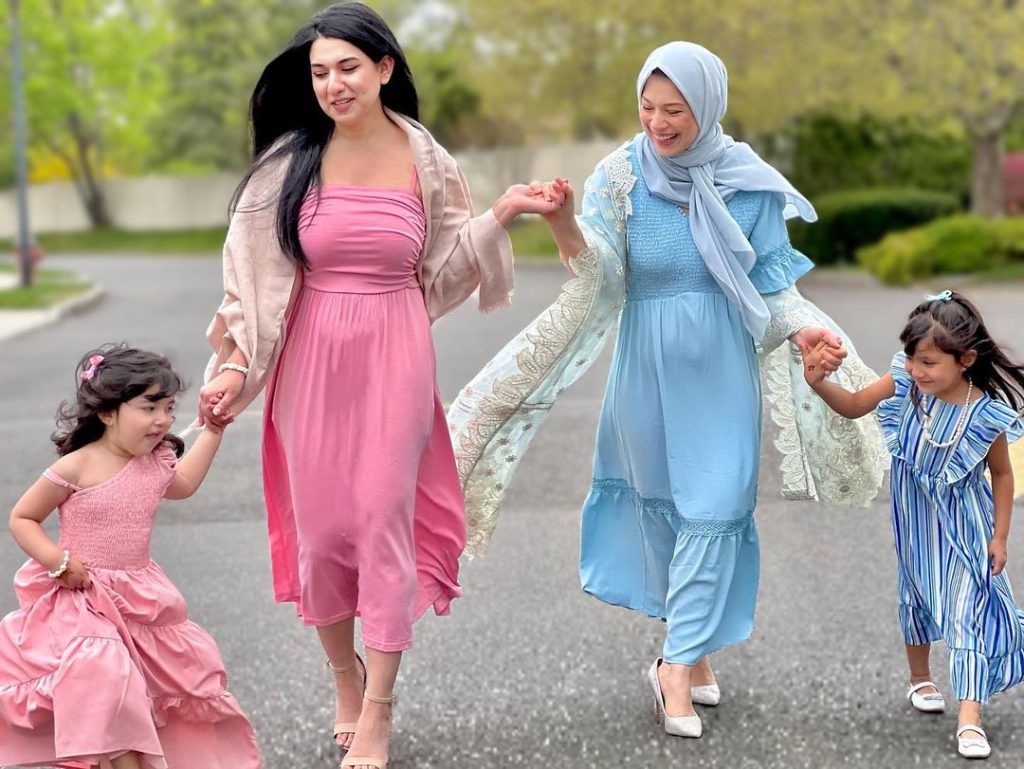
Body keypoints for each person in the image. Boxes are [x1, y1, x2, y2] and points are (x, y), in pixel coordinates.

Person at [446, 40, 889, 739]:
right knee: (667, 511)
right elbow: (602, 277)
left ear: (707, 105)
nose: (658, 122)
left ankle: (673, 666)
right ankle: (695, 647)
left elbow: (772, 286)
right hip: (646, 371)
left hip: (720, 367)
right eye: (647, 107)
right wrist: (561, 221)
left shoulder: (749, 184)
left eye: (674, 109)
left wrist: (803, 331)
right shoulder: (620, 176)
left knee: (716, 504)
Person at [195, 4, 562, 767]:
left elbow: (449, 268)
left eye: (348, 68)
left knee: (382, 518)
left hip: (395, 353)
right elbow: (251, 288)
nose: (333, 84)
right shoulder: (285, 167)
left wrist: (502, 213)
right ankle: (344, 675)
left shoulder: (425, 158)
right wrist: (233, 368)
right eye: (320, 72)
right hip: (310, 361)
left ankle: (381, 710)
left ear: (385, 67)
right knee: (324, 535)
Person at [0, 344, 259, 769]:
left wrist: (213, 431)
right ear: (107, 412)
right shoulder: (76, 467)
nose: (163, 420)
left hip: (138, 596)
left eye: (169, 408)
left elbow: (186, 483)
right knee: (105, 674)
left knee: (152, 689)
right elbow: (23, 517)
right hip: (81, 596)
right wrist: (58, 562)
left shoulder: (156, 463)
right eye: (149, 407)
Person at [803, 290, 1024, 760]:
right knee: (917, 595)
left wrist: (1000, 536)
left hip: (965, 531)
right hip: (915, 525)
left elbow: (1003, 475)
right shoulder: (906, 386)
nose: (914, 369)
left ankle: (970, 718)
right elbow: (856, 404)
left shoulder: (985, 414)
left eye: (927, 361)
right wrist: (819, 382)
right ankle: (920, 680)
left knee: (967, 612)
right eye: (910, 356)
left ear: (964, 359)